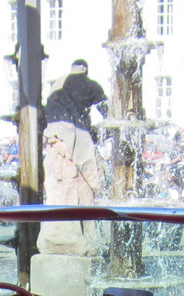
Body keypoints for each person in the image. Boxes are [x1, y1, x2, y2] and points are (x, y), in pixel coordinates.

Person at [42, 59, 106, 254]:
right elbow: (107, 109)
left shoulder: (56, 84)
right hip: (74, 133)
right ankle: (90, 240)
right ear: (85, 70)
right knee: (91, 181)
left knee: (59, 193)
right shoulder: (89, 84)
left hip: (53, 136)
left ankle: (64, 240)